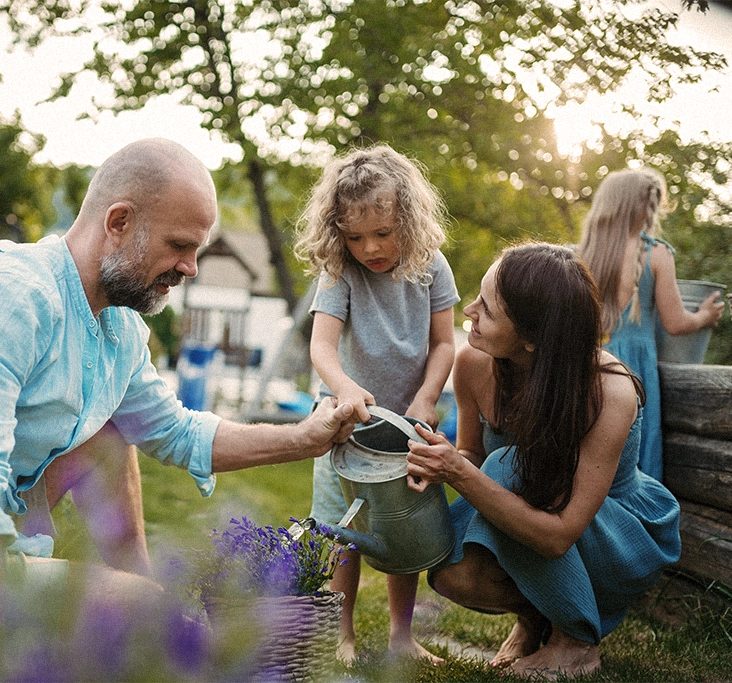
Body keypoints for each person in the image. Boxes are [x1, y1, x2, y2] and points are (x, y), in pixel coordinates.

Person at [0, 137, 356, 622]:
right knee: (148, 622)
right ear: (119, 223)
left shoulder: (117, 324)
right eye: (179, 246)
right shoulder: (7, 298)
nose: (190, 268)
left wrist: (304, 437)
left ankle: (135, 589)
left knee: (112, 436)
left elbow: (179, 433)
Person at [406, 242, 681, 680]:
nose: (470, 310)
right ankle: (537, 618)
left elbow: (558, 536)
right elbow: (472, 453)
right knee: (452, 572)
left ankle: (575, 643)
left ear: (533, 338)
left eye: (488, 310)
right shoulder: (474, 362)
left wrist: (460, 474)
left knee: (506, 466)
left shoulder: (609, 391)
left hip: (609, 530)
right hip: (533, 505)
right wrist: (443, 462)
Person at [294, 144, 460, 664]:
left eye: (383, 233)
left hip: (407, 422)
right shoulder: (339, 271)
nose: (370, 247)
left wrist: (428, 397)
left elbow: (444, 343)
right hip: (347, 426)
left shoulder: (432, 265)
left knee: (401, 528)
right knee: (346, 530)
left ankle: (401, 636)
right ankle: (340, 631)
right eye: (355, 235)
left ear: (408, 219)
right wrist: (343, 387)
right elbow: (321, 345)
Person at [577, 167, 725, 479]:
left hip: (589, 361)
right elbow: (675, 323)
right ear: (647, 207)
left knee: (590, 445)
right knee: (637, 449)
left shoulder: (583, 253)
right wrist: (705, 316)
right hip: (636, 366)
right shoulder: (656, 253)